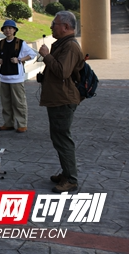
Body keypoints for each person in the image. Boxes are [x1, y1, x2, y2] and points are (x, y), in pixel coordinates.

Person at [38, 11, 85, 193]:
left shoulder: (71, 46)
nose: (51, 27)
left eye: (54, 24)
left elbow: (63, 72)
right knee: (58, 138)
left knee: (63, 139)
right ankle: (66, 173)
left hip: (63, 100)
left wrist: (46, 56)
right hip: (57, 98)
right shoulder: (63, 44)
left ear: (66, 27)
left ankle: (71, 179)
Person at [0, 20, 36, 133]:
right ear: (3, 30)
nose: (8, 30)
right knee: (6, 102)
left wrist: (19, 60)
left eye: (10, 28)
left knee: (19, 101)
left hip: (16, 77)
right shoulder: (2, 43)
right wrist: (0, 60)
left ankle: (22, 124)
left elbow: (32, 54)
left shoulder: (20, 43)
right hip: (4, 76)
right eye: (5, 28)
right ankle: (8, 123)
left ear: (14, 30)